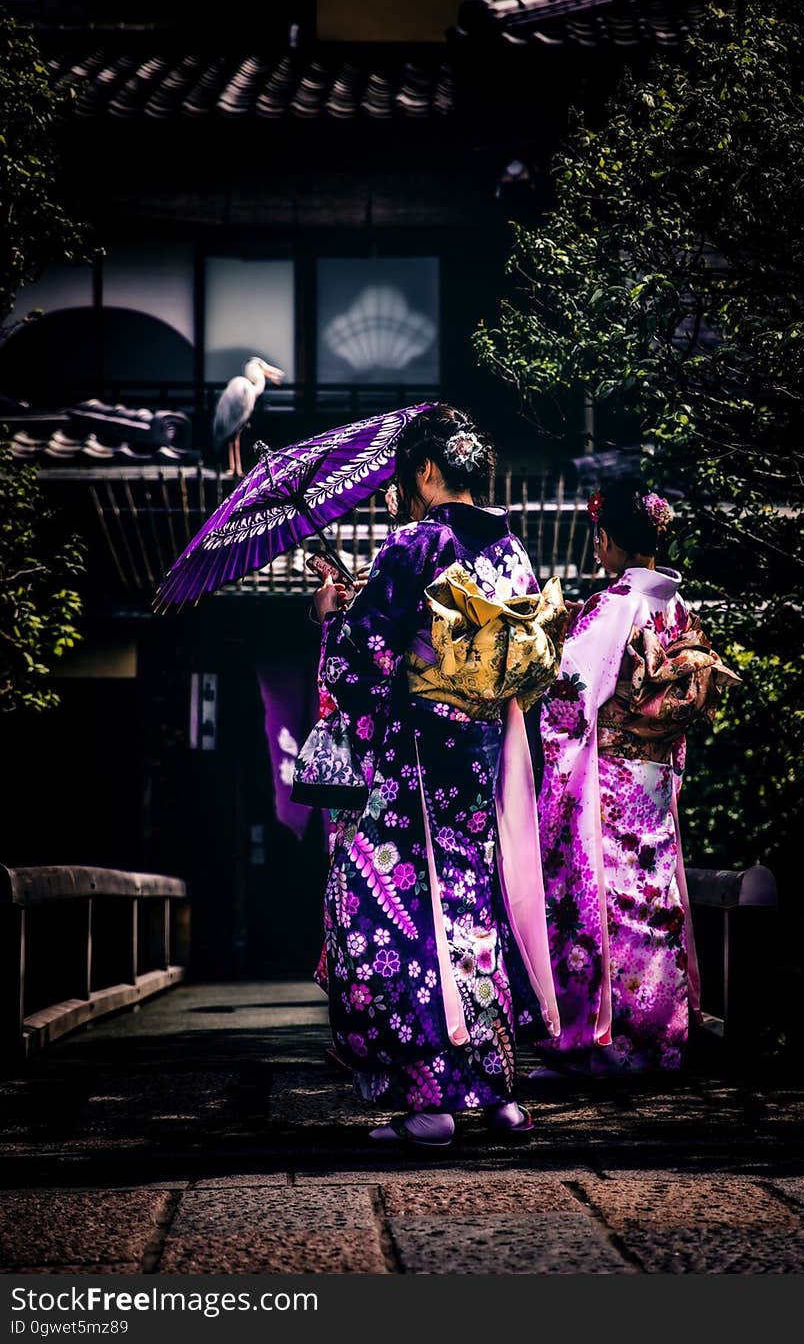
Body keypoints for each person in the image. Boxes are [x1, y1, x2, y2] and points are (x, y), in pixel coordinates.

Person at [310, 404, 563, 1146]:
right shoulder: (513, 553)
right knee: (470, 914)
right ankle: (497, 1092)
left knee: (375, 910)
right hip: (479, 765)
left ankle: (431, 1102)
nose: (404, 491)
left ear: (427, 471)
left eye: (403, 476)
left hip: (416, 765)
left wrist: (332, 615)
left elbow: (356, 672)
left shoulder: (415, 546)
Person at [535, 479, 740, 1078]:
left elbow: (567, 697)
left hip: (608, 779)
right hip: (655, 781)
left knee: (598, 903)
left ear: (606, 540)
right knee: (656, 906)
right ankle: (661, 1041)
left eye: (597, 539)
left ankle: (595, 1043)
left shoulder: (611, 606)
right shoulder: (677, 609)